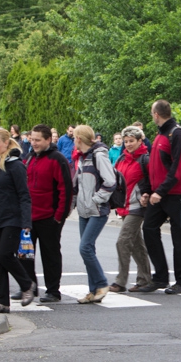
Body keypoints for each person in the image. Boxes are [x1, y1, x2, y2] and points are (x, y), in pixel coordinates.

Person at [139, 100, 181, 294]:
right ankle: (160, 277)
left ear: (156, 114)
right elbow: (153, 166)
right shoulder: (160, 134)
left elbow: (179, 167)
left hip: (176, 195)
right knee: (149, 229)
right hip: (158, 194)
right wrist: (148, 190)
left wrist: (159, 191)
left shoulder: (176, 134)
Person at [15, 124, 72, 303]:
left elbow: (66, 189)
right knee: (24, 255)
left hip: (49, 217)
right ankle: (28, 286)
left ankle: (53, 290)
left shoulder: (58, 159)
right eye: (32, 139)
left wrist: (59, 217)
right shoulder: (30, 157)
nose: (34, 143)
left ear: (48, 140)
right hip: (29, 217)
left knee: (50, 255)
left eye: (38, 140)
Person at [0, 128, 36, 313]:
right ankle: (2, 302)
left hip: (12, 218)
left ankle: (26, 284)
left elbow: (24, 195)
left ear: (6, 143)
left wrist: (26, 222)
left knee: (4, 255)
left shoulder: (15, 165)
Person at [73, 125, 115, 303]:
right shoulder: (83, 157)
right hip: (85, 210)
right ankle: (93, 290)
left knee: (85, 248)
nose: (74, 141)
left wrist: (96, 200)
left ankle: (101, 283)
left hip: (97, 210)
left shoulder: (98, 155)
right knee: (88, 250)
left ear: (79, 139)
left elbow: (110, 181)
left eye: (75, 138)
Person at [109, 125, 153, 292]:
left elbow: (153, 179)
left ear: (140, 141)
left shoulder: (145, 159)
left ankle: (120, 281)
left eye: (131, 141)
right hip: (124, 206)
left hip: (137, 206)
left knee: (123, 242)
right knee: (136, 244)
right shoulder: (121, 159)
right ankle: (145, 280)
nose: (128, 144)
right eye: (126, 141)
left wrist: (147, 193)